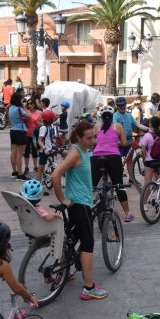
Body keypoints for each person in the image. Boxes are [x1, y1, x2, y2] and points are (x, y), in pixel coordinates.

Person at [51, 120, 108, 300]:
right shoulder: (76, 152)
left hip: (81, 201)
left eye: (94, 137)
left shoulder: (83, 151)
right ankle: (89, 288)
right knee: (88, 243)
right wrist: (62, 199)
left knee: (71, 238)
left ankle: (62, 272)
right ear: (79, 138)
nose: (93, 141)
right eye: (89, 138)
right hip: (79, 203)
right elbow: (55, 175)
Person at [92, 106, 134, 222]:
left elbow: (93, 141)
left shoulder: (96, 126)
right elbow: (125, 143)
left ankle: (89, 208)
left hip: (96, 157)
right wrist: (116, 143)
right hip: (113, 157)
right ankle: (127, 214)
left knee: (92, 185)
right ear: (112, 116)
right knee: (118, 185)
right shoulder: (118, 126)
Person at [113, 97, 149, 183]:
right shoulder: (115, 116)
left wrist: (149, 129)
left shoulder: (129, 115)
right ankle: (117, 180)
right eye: (120, 105)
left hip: (129, 141)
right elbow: (114, 129)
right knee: (117, 162)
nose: (122, 107)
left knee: (129, 161)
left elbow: (138, 124)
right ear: (117, 106)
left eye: (123, 105)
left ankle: (132, 178)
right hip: (119, 142)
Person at [140, 116, 160, 198]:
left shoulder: (147, 136)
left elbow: (143, 150)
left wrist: (145, 160)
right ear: (159, 125)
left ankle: (144, 204)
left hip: (150, 162)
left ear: (150, 124)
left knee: (147, 183)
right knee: (159, 182)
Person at [8, 92, 31, 181]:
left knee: (13, 152)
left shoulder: (10, 108)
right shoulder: (19, 109)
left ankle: (14, 172)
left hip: (13, 130)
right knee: (19, 154)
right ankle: (20, 174)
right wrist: (24, 107)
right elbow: (29, 117)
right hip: (21, 131)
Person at [37, 110, 56, 187]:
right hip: (44, 150)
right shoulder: (43, 128)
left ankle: (51, 176)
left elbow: (51, 137)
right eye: (53, 118)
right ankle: (37, 184)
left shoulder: (51, 126)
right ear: (50, 119)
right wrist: (44, 148)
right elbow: (39, 140)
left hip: (50, 148)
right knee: (40, 168)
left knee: (53, 164)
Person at [23, 99, 41, 175]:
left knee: (34, 151)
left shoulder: (39, 113)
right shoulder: (26, 112)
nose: (30, 105)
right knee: (26, 152)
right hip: (26, 134)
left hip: (35, 135)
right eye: (28, 104)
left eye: (31, 103)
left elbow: (41, 123)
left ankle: (35, 166)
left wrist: (38, 123)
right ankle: (26, 167)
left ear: (34, 104)